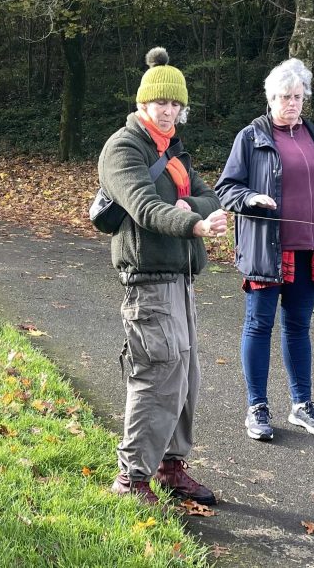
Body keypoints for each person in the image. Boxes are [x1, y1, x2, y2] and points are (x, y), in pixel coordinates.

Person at [98, 47, 227, 505]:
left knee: (187, 378)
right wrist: (192, 223)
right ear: (142, 105)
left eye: (175, 104)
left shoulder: (173, 151)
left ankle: (172, 467)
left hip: (181, 280)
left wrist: (197, 209)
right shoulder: (123, 148)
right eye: (160, 103)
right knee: (156, 377)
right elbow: (145, 208)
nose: (169, 111)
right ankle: (132, 479)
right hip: (147, 282)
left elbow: (211, 196)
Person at [215, 58, 314, 442]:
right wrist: (251, 199)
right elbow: (227, 188)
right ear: (271, 98)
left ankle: (301, 405)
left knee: (299, 327)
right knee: (259, 326)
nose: (292, 103)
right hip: (266, 250)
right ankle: (257, 407)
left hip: (309, 249)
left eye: (298, 96)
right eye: (285, 96)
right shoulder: (251, 138)